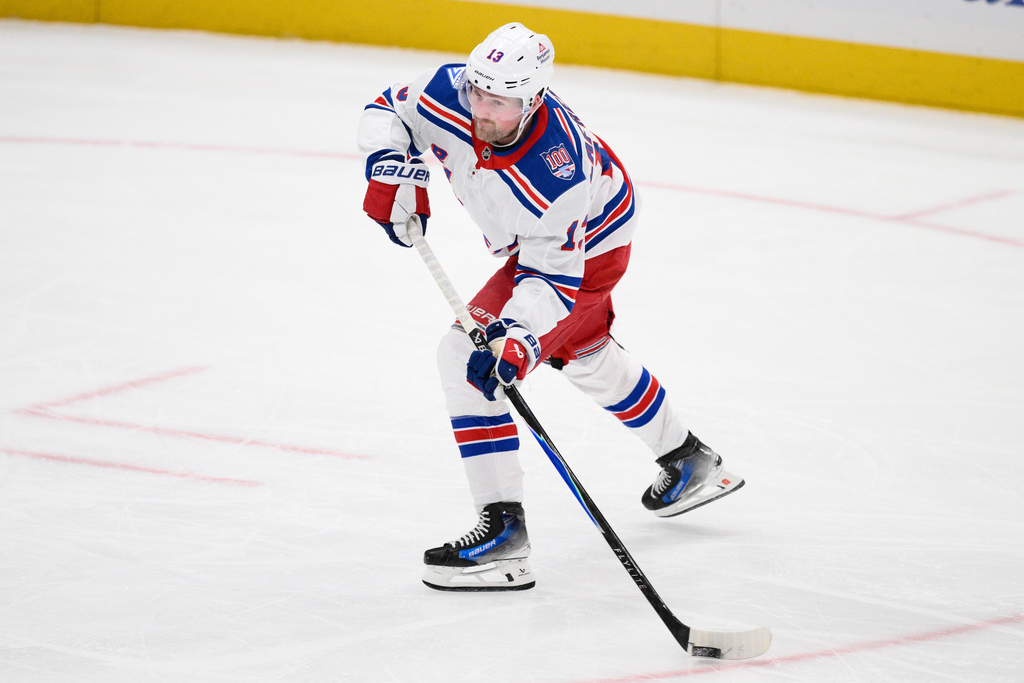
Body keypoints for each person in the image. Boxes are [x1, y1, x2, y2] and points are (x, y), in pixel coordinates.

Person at [357, 22, 744, 592]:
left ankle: (503, 538)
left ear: (532, 98)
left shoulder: (556, 172)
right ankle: (689, 461)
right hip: (541, 247)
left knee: (467, 356)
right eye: (478, 93)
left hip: (586, 253)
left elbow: (552, 282)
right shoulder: (452, 91)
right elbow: (389, 108)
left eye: (500, 102)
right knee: (585, 355)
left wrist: (517, 338)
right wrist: (391, 169)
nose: (483, 112)